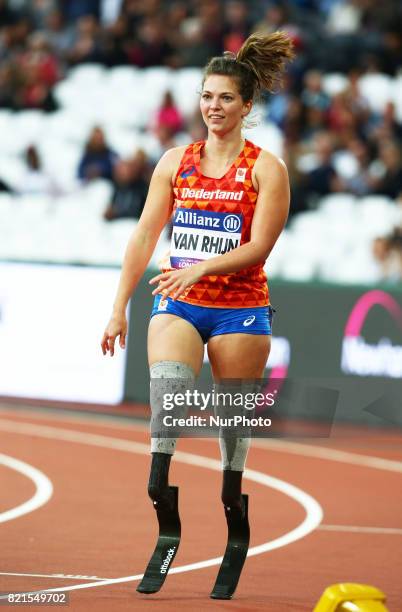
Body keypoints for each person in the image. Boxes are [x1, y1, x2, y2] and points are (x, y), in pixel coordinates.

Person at [101, 31, 293, 597]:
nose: (214, 106)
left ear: (246, 106)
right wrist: (118, 308)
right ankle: (166, 515)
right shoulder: (175, 162)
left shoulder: (267, 169)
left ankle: (234, 515)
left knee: (232, 428)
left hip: (241, 310)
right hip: (178, 303)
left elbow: (260, 248)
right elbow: (143, 235)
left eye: (226, 98)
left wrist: (201, 270)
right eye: (206, 96)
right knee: (169, 402)